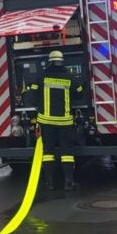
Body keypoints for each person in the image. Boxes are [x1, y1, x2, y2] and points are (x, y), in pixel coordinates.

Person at [37, 50, 83, 192]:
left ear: (50, 62)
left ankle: (50, 183)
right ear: (62, 62)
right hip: (65, 122)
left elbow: (32, 93)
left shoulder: (42, 77)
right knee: (67, 152)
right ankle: (68, 183)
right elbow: (80, 92)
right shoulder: (69, 77)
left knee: (48, 152)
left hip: (46, 121)